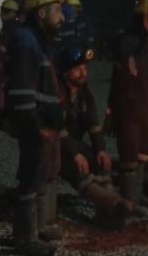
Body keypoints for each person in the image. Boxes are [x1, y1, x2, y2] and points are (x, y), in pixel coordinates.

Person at [0, 0, 65, 256]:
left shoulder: (39, 40)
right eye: (58, 10)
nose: (63, 17)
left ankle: (35, 230)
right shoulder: (27, 41)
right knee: (29, 177)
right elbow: (23, 92)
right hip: (34, 124)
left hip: (44, 125)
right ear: (42, 13)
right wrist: (35, 127)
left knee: (40, 175)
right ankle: (26, 241)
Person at [58, 47, 132, 230]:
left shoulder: (84, 92)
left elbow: (94, 124)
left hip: (72, 144)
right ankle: (113, 202)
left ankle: (109, 217)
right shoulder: (57, 92)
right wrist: (75, 154)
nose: (83, 72)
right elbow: (57, 128)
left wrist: (101, 149)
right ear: (66, 71)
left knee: (100, 162)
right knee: (78, 169)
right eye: (78, 69)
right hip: (53, 145)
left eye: (85, 67)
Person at [108, 0, 148, 209]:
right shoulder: (128, 40)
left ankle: (137, 194)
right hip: (128, 106)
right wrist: (145, 45)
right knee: (129, 153)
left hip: (147, 106)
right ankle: (127, 200)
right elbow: (132, 69)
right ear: (139, 19)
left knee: (144, 151)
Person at [0, 0, 22, 112]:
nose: (1, 14)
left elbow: (5, 46)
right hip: (9, 61)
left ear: (11, 13)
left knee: (4, 85)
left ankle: (5, 108)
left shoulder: (11, 27)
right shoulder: (9, 26)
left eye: (4, 11)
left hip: (10, 62)